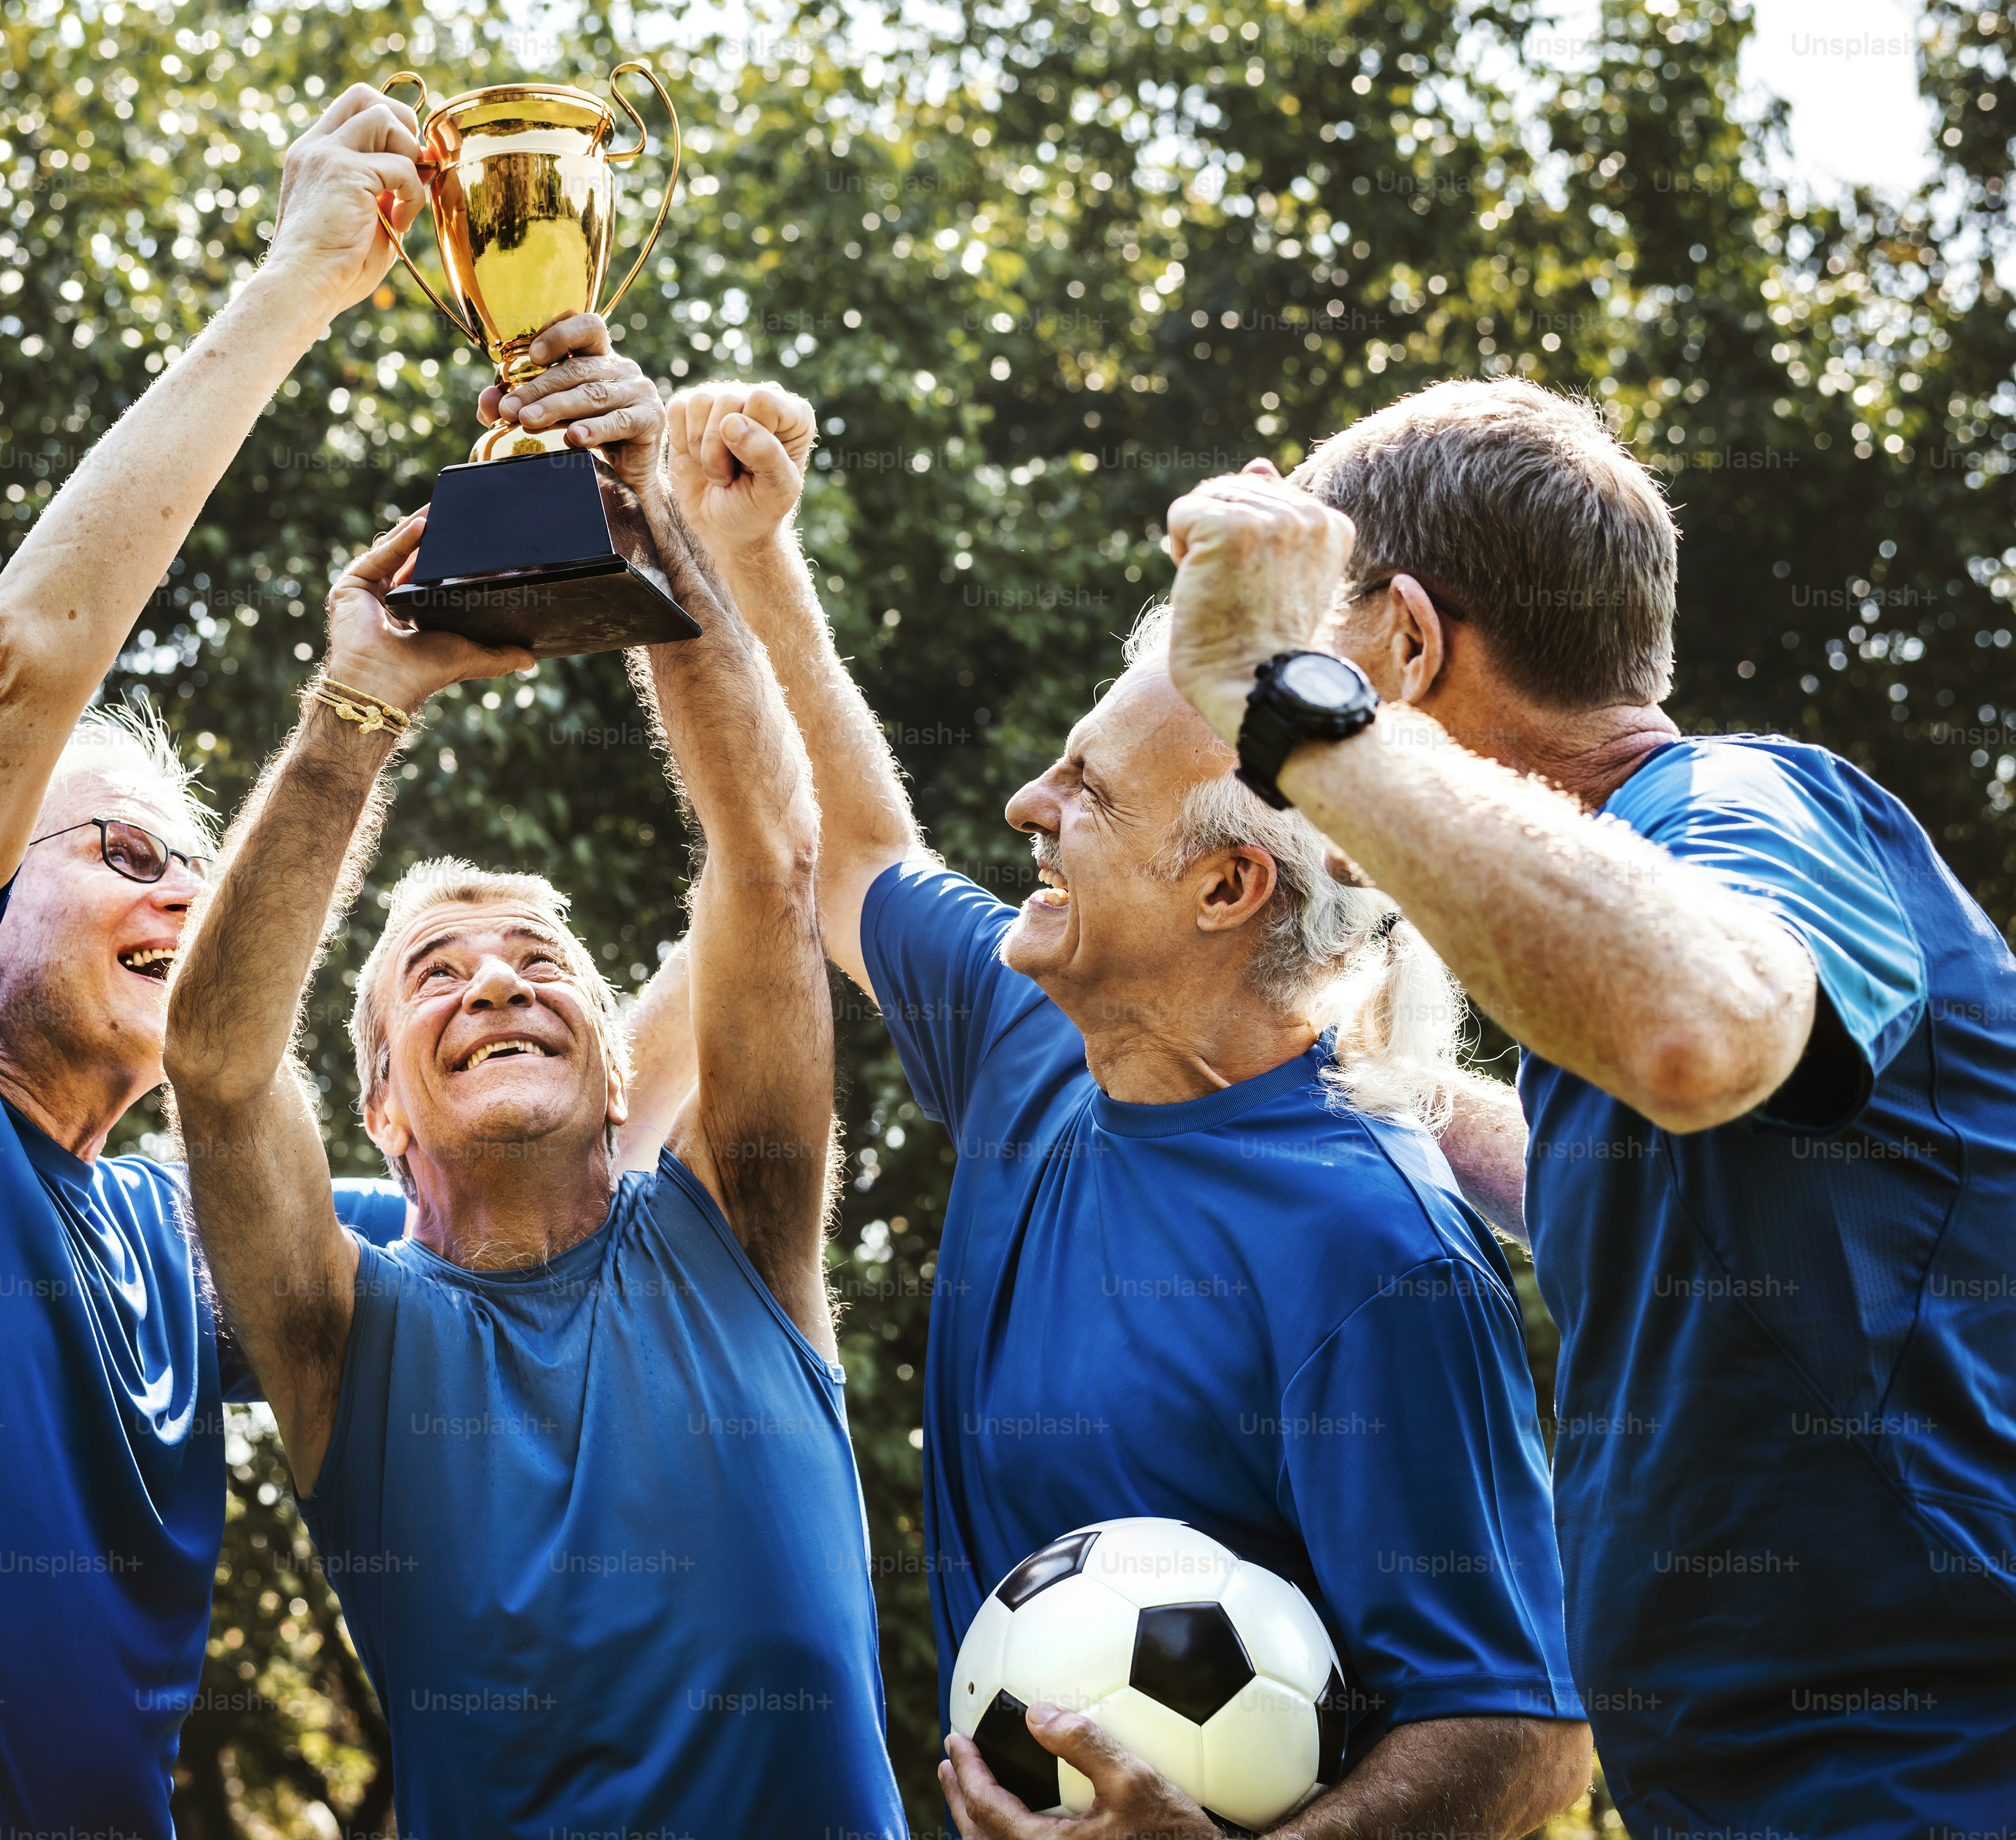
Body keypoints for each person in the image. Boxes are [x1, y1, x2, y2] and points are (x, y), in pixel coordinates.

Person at [509, 373, 1589, 1839]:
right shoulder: (1036, 1029)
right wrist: (747, 551)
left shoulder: (1373, 1248)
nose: (1026, 801)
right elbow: (851, 852)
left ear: (1227, 886)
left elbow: (1522, 1733)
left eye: (1086, 789)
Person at [1160, 378, 2016, 1837]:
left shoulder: (1742, 802)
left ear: (1408, 647)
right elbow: (1634, 1175)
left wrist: (1287, 704)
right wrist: (1373, 1079)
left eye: (1330, 638)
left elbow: (1700, 1029)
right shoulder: (1634, 917)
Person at [0, 82, 451, 1836]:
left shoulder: (179, 1229)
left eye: (198, 862)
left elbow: (544, 1200)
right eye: (124, 851)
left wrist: (699, 563)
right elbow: (20, 663)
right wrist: (305, 279)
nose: (186, 896)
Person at [161, 341, 909, 1838]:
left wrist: (651, 524)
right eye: (435, 973)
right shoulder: (342, 1344)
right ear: (380, 1110)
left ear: (623, 1064)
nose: (496, 982)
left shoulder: (740, 1237)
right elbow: (220, 1062)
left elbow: (771, 859)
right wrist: (357, 702)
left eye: (537, 959)